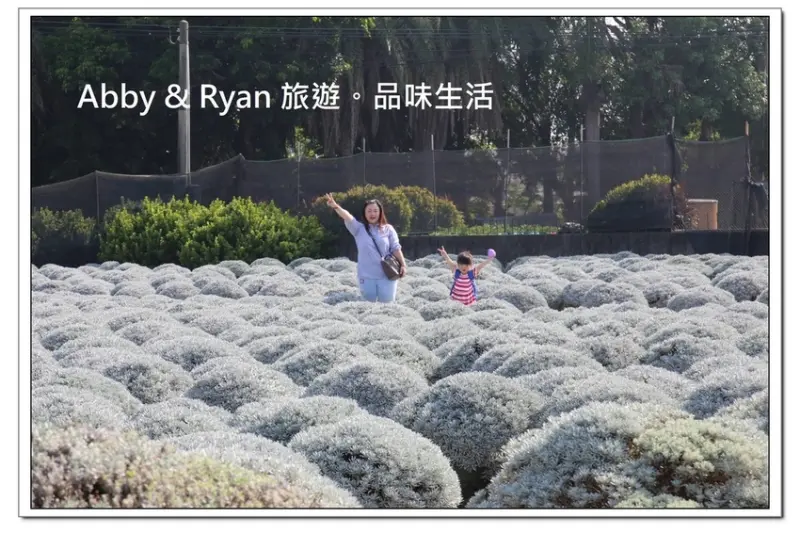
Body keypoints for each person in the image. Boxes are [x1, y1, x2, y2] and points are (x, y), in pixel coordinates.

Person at [325, 193, 407, 303]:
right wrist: (335, 206)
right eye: (369, 211)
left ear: (380, 212)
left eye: (375, 211)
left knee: (387, 305)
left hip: (387, 275)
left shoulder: (388, 229)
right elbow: (347, 216)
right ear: (364, 213)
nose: (372, 214)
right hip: (366, 277)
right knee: (367, 306)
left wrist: (403, 265)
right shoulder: (358, 229)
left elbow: (396, 248)